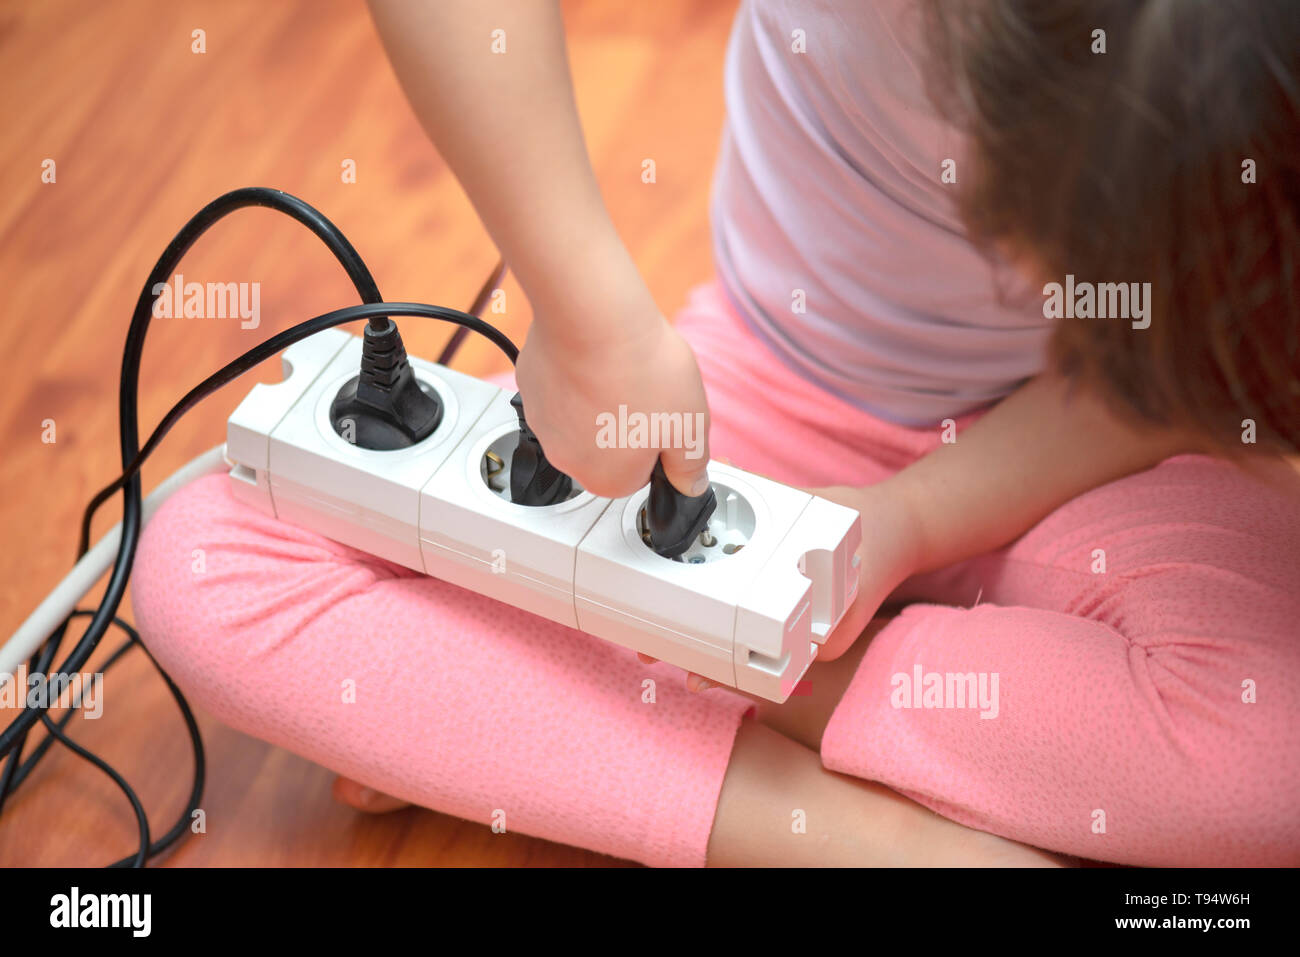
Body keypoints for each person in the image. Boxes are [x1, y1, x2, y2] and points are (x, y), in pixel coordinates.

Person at [131, 0, 1300, 865]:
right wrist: (585, 313)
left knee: (1274, 750)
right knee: (207, 561)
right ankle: (841, 838)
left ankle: (612, 694)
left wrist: (899, 528)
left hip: (1105, 446)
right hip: (768, 395)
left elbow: (1161, 386)